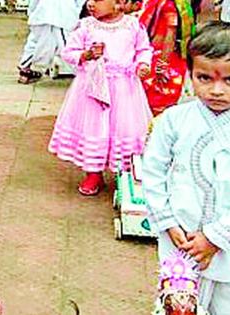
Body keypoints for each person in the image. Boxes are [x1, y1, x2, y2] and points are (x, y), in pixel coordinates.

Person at [142, 22, 230, 314]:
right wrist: (167, 221)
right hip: (180, 238)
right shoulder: (173, 120)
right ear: (190, 75)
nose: (216, 90)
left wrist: (216, 237)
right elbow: (152, 172)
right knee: (178, 304)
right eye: (204, 77)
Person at [48, 0, 153, 196]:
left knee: (124, 129)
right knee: (94, 128)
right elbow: (68, 52)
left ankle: (126, 173)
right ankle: (93, 173)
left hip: (124, 89)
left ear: (119, 3)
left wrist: (142, 65)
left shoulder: (133, 26)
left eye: (98, 0)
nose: (91, 4)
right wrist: (86, 54)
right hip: (93, 90)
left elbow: (143, 49)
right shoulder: (86, 26)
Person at [139, 0, 197, 115]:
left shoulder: (168, 4)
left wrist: (162, 63)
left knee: (159, 103)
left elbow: (171, 33)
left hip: (164, 58)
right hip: (153, 54)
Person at [17, 0, 86, 84]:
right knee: (65, 46)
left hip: (47, 14)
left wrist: (32, 11)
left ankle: (26, 67)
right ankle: (82, 71)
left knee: (37, 42)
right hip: (59, 16)